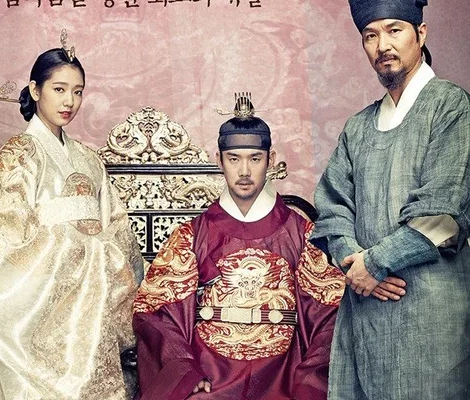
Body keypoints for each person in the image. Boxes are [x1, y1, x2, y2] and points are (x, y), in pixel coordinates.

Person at [0, 32, 144, 400]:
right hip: (41, 292)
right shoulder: (18, 154)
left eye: (78, 91)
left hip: (92, 294)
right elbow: (8, 236)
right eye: (59, 89)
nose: (69, 101)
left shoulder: (89, 159)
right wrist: (76, 249)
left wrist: (104, 257)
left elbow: (116, 226)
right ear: (35, 90)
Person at [131, 94, 346, 400]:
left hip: (284, 374)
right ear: (219, 160)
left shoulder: (301, 235)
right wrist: (186, 372)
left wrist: (309, 379)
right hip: (209, 376)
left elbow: (330, 312)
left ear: (270, 160)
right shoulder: (191, 236)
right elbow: (156, 310)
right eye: (234, 159)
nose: (244, 171)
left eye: (255, 159)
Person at [310, 1, 470, 399]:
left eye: (394, 30)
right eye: (371, 35)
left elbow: (442, 212)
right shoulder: (358, 127)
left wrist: (373, 264)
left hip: (430, 310)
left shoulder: (450, 105)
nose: (383, 45)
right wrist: (354, 263)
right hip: (365, 310)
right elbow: (332, 207)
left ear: (421, 33)